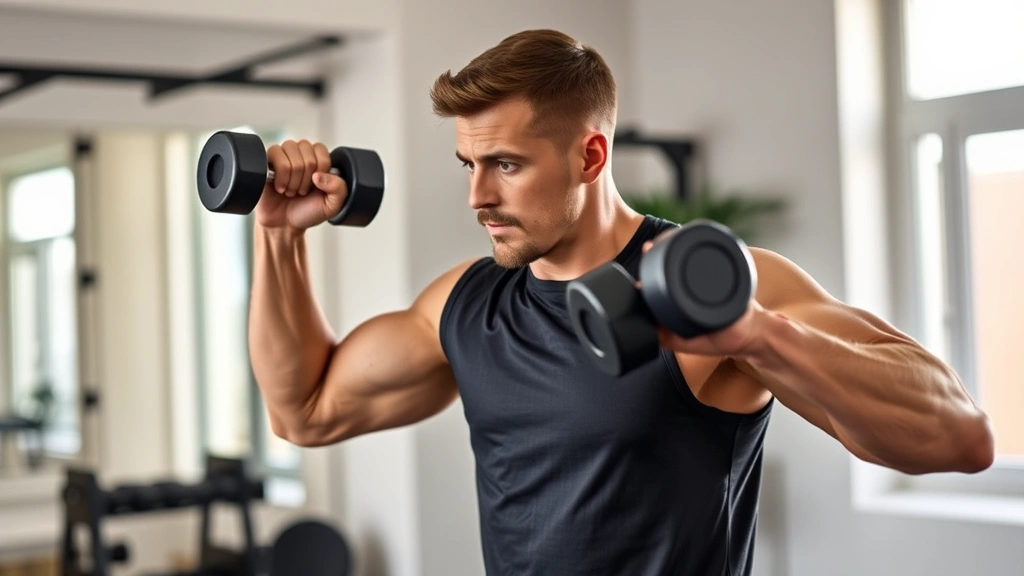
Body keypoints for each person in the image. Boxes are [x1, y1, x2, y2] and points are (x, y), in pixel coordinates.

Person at [247, 28, 994, 576]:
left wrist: (757, 336)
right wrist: (279, 237)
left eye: (505, 164)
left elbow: (960, 436)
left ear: (590, 155)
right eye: (468, 164)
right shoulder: (466, 305)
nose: (477, 196)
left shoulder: (715, 285)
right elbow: (305, 411)